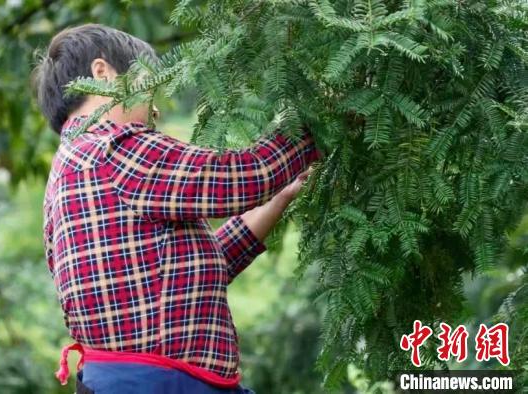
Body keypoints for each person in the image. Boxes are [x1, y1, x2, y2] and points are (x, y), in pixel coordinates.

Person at [32, 23, 321, 394]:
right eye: (147, 88)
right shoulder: (114, 149)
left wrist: (281, 195)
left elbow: (186, 273)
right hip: (161, 384)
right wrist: (318, 117)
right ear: (102, 74)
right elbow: (240, 176)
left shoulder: (66, 171)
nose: (153, 107)